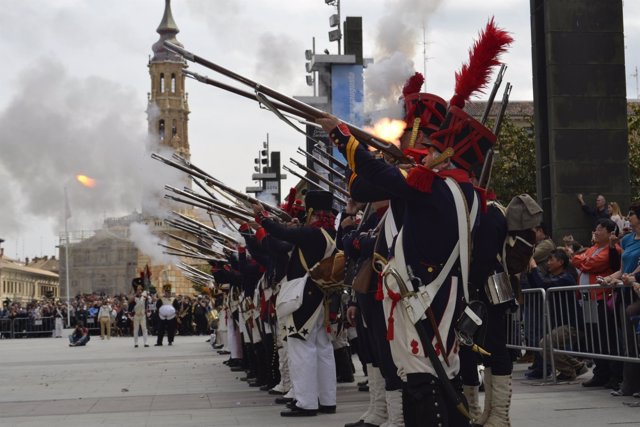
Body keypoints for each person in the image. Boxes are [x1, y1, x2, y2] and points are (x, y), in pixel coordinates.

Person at [253, 190, 338, 417]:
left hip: (305, 296)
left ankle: (306, 402)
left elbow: (279, 232)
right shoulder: (330, 232)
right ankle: (326, 399)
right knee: (322, 348)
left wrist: (262, 217)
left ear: (311, 211)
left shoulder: (312, 233)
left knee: (301, 348)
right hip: (321, 296)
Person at [571, 219, 622, 387]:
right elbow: (577, 260)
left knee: (607, 337)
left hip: (602, 298)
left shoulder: (613, 249)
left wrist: (582, 260)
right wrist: (582, 260)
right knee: (595, 338)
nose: (596, 232)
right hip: (588, 300)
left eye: (600, 229)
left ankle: (612, 374)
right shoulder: (593, 248)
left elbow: (589, 264)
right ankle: (600, 373)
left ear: (610, 233)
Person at [528, 250, 586, 381]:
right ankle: (577, 366)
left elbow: (543, 284)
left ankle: (568, 371)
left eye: (551, 260)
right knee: (550, 345)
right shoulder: (554, 277)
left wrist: (535, 267)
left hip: (572, 325)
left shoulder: (566, 278)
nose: (548, 263)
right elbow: (538, 285)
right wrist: (530, 271)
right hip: (562, 324)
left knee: (545, 344)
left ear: (560, 262)